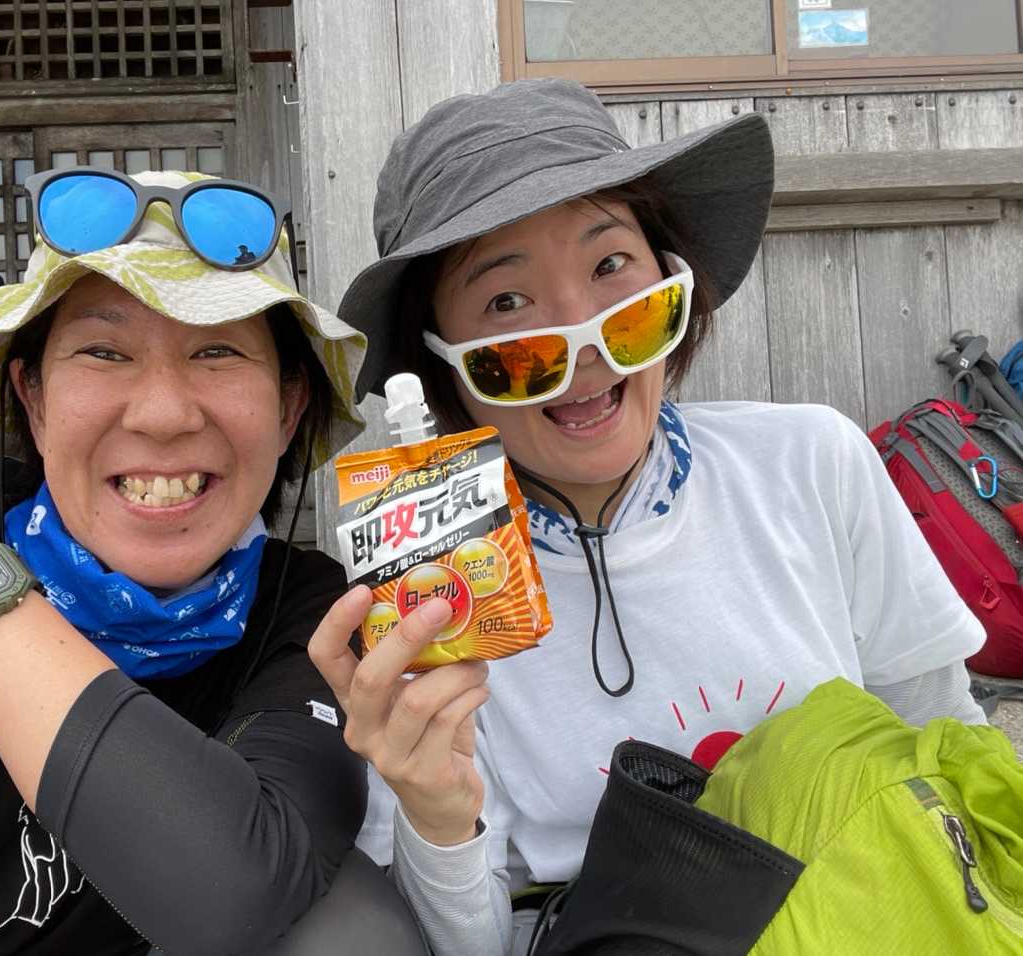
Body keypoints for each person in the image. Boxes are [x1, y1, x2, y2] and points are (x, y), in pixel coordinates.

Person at [307, 78, 990, 956]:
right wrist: (436, 814)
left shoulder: (812, 462)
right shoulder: (428, 592)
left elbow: (946, 748)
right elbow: (475, 942)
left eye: (610, 269)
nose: (585, 344)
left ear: (673, 281)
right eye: (507, 303)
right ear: (442, 364)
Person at [0, 167, 408, 955]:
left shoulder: (313, 616)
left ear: (289, 406)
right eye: (103, 351)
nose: (164, 414)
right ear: (32, 397)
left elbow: (236, 894)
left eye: (218, 351)